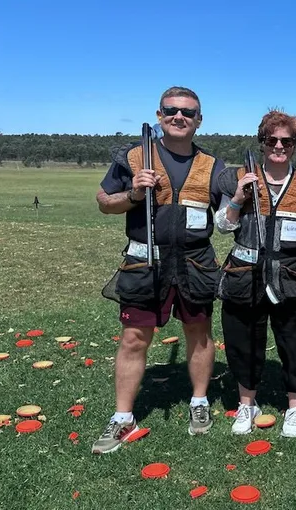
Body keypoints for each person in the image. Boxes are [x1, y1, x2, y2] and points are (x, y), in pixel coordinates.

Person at [92, 86, 225, 454]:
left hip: (196, 264)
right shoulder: (134, 157)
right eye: (171, 110)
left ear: (199, 120)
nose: (179, 116)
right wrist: (134, 193)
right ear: (159, 114)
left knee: (199, 332)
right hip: (144, 263)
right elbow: (105, 202)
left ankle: (199, 403)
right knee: (134, 338)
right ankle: (123, 418)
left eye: (187, 112)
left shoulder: (212, 165)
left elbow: (230, 208)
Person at [213, 110, 296, 437]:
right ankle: (247, 403)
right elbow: (222, 225)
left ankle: (295, 407)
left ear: (295, 145)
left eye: (286, 141)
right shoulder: (240, 177)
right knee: (243, 341)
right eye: (272, 140)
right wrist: (236, 199)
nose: (279, 146)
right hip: (244, 275)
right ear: (262, 142)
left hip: (291, 276)